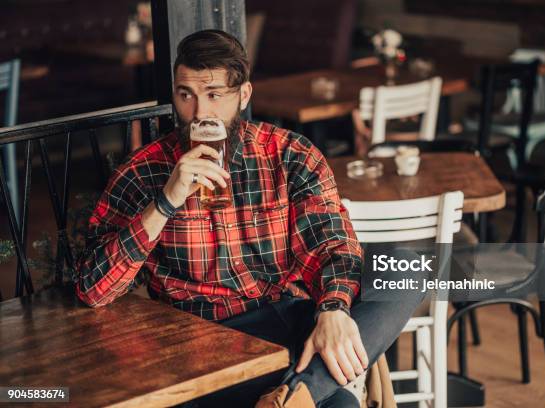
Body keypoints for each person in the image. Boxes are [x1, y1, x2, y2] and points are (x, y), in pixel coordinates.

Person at [76, 30, 426, 407]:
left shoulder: (290, 155)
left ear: (243, 96)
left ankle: (294, 396)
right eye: (185, 95)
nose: (199, 114)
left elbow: (332, 246)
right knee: (341, 404)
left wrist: (334, 309)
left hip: (279, 325)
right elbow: (93, 289)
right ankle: (302, 394)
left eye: (214, 95)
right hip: (194, 343)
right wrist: (166, 201)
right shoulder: (144, 172)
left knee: (409, 266)